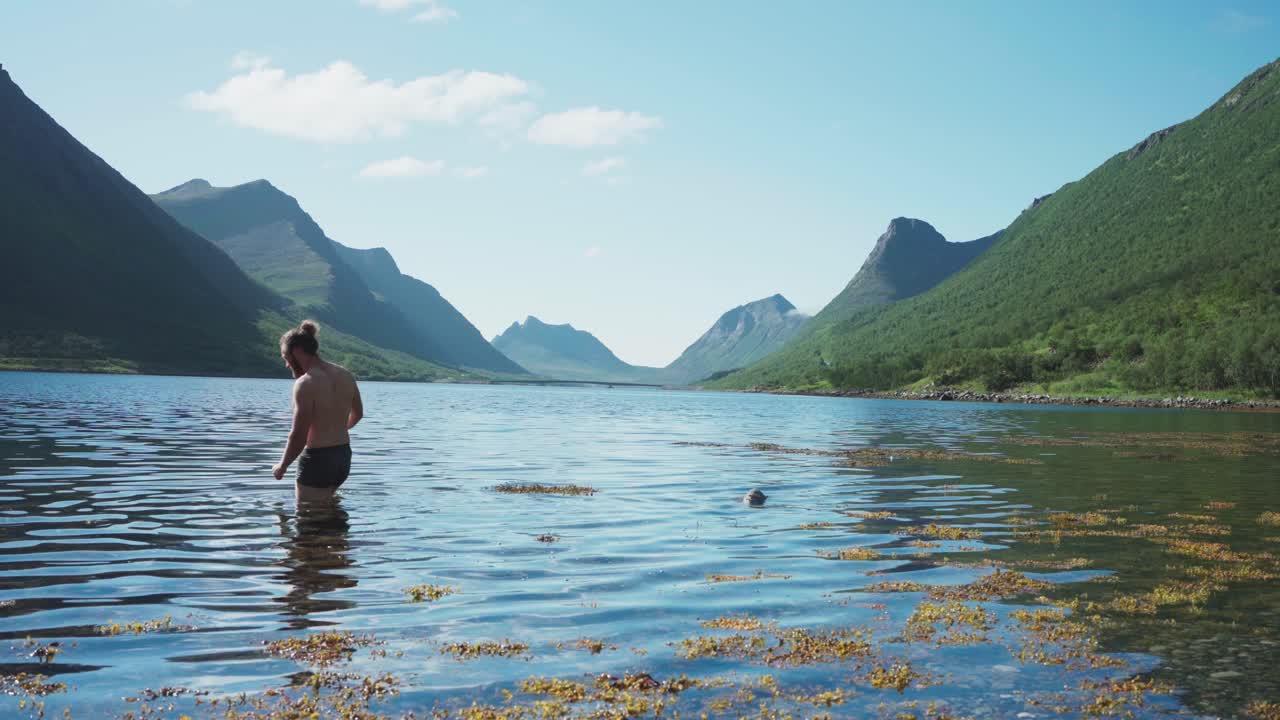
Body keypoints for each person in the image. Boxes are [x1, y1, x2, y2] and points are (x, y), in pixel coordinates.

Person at [272, 321, 363, 502]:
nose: (287, 365)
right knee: (329, 511)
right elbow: (358, 414)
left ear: (297, 351)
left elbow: (299, 434)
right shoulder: (345, 374)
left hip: (318, 460)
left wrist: (282, 466)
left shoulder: (306, 383)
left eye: (285, 358)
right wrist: (335, 429)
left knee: (307, 520)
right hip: (343, 457)